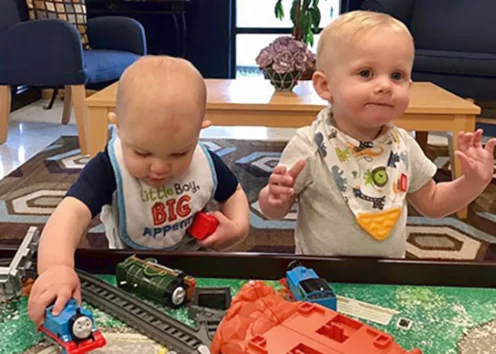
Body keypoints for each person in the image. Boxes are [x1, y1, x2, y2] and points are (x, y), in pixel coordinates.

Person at [28, 56, 250, 325]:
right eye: (142, 152)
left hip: (195, 264)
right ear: (118, 127)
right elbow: (69, 215)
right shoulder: (109, 167)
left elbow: (234, 193)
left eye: (179, 153)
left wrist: (237, 227)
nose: (159, 168)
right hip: (130, 268)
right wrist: (56, 268)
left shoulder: (205, 162)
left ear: (199, 132)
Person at [259, 10, 496, 256]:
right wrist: (275, 198)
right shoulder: (308, 145)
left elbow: (433, 203)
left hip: (386, 277)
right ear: (325, 86)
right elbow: (272, 210)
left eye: (397, 76)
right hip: (322, 275)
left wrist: (472, 182)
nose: (385, 86)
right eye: (366, 73)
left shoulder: (404, 145)